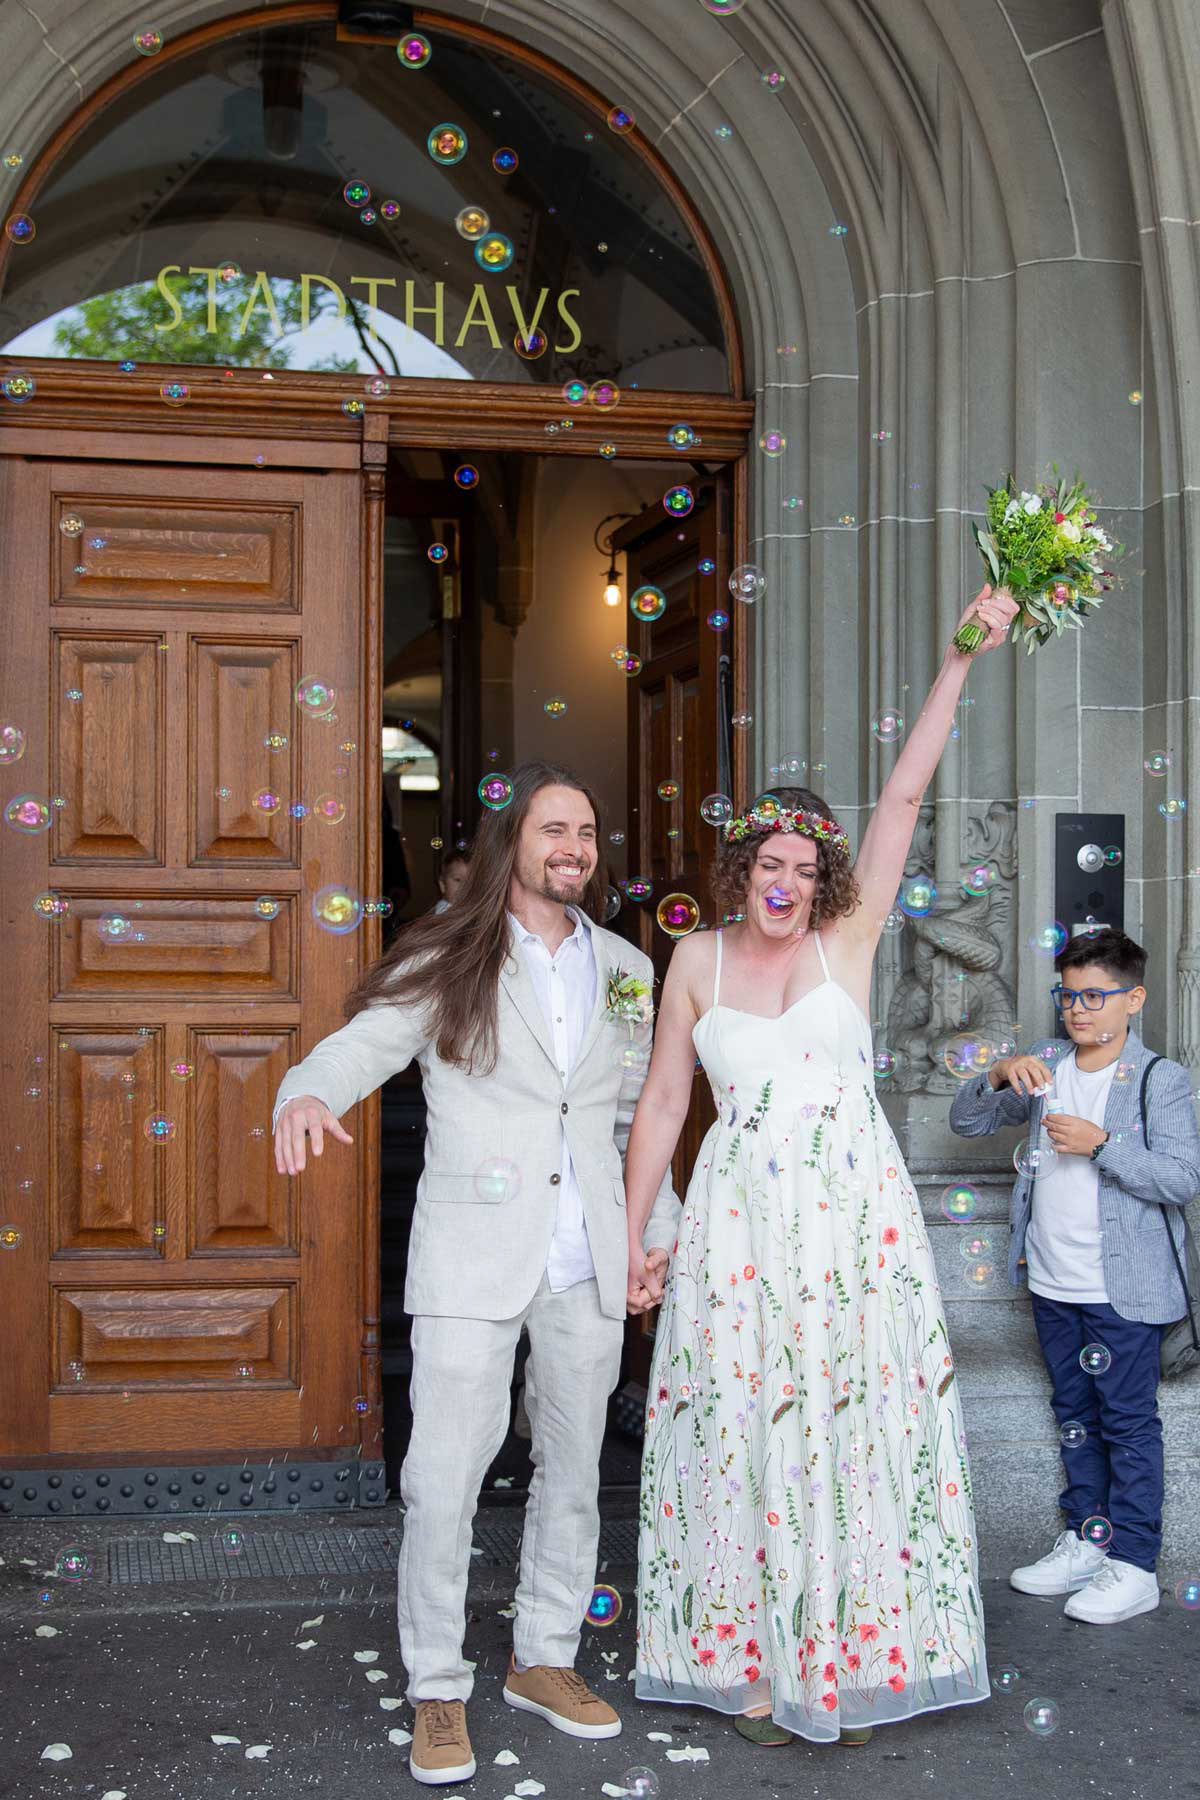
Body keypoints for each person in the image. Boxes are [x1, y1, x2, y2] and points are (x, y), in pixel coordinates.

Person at [623, 583, 1019, 1748]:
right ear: (742, 868)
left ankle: (849, 1645)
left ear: (825, 878)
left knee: (850, 1421)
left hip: (851, 1221)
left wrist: (962, 657)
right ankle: (746, 1649)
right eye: (769, 862)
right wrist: (635, 1235)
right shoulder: (693, 960)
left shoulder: (851, 939)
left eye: (805, 863)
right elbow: (658, 1104)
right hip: (739, 1226)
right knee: (739, 1424)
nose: (786, 880)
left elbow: (904, 791)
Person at [272, 761, 679, 1787]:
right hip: (469, 1257)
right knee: (443, 1477)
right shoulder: (451, 955)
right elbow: (364, 1043)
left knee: (576, 1471)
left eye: (586, 831)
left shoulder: (628, 965)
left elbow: (638, 1122)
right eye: (554, 829)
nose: (573, 848)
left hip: (588, 1257)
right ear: (515, 845)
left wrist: (654, 1233)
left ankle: (544, 1658)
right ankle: (436, 1688)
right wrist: (305, 1091)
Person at [949, 927, 1200, 1624]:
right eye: (1068, 995)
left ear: (1134, 998)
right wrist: (997, 1073)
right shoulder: (1047, 1063)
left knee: (1126, 1422)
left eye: (1095, 995)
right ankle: (1087, 1539)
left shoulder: (1160, 1079)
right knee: (1074, 1419)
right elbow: (965, 1122)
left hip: (1125, 1288)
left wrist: (1104, 1145)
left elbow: (1182, 1178)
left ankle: (1135, 1563)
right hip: (1051, 1280)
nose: (1078, 1009)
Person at [434, 845, 471, 913]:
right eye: (458, 880)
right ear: (443, 885)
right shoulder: (444, 912)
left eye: (470, 881)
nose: (465, 886)